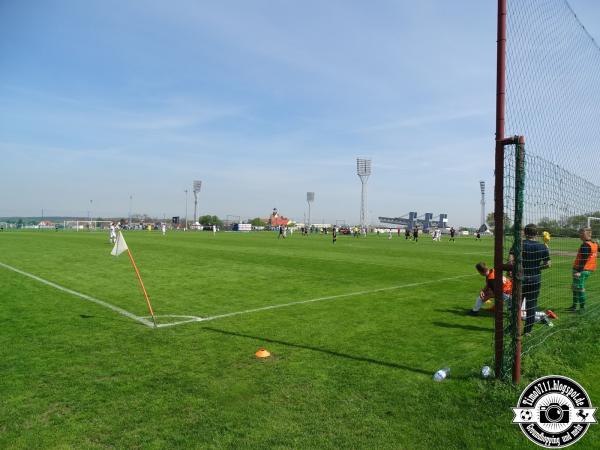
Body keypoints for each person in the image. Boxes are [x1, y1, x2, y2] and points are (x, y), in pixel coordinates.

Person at [514, 224, 551, 334]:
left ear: (525, 233)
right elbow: (548, 264)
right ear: (537, 234)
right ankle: (527, 331)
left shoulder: (519, 244)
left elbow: (511, 260)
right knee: (531, 305)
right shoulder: (542, 246)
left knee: (517, 304)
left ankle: (514, 328)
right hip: (535, 278)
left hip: (520, 278)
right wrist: (536, 267)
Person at [568, 228, 598, 312]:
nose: (580, 235)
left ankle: (582, 308)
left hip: (582, 270)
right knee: (575, 287)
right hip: (588, 269)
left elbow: (583, 259)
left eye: (582, 233)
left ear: (589, 234)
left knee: (579, 288)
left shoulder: (585, 245)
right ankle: (574, 306)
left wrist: (579, 272)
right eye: (580, 233)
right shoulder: (594, 243)